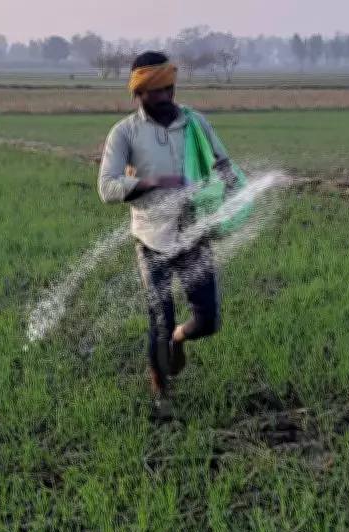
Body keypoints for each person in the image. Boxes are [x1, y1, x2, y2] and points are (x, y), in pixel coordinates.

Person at [97, 51, 235, 420]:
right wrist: (153, 182)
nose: (165, 99)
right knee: (158, 318)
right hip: (152, 239)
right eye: (154, 93)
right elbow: (107, 187)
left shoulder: (194, 123)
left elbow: (221, 161)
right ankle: (161, 396)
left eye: (168, 90)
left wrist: (232, 184)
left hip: (193, 233)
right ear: (138, 94)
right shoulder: (124, 132)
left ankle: (179, 338)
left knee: (208, 321)